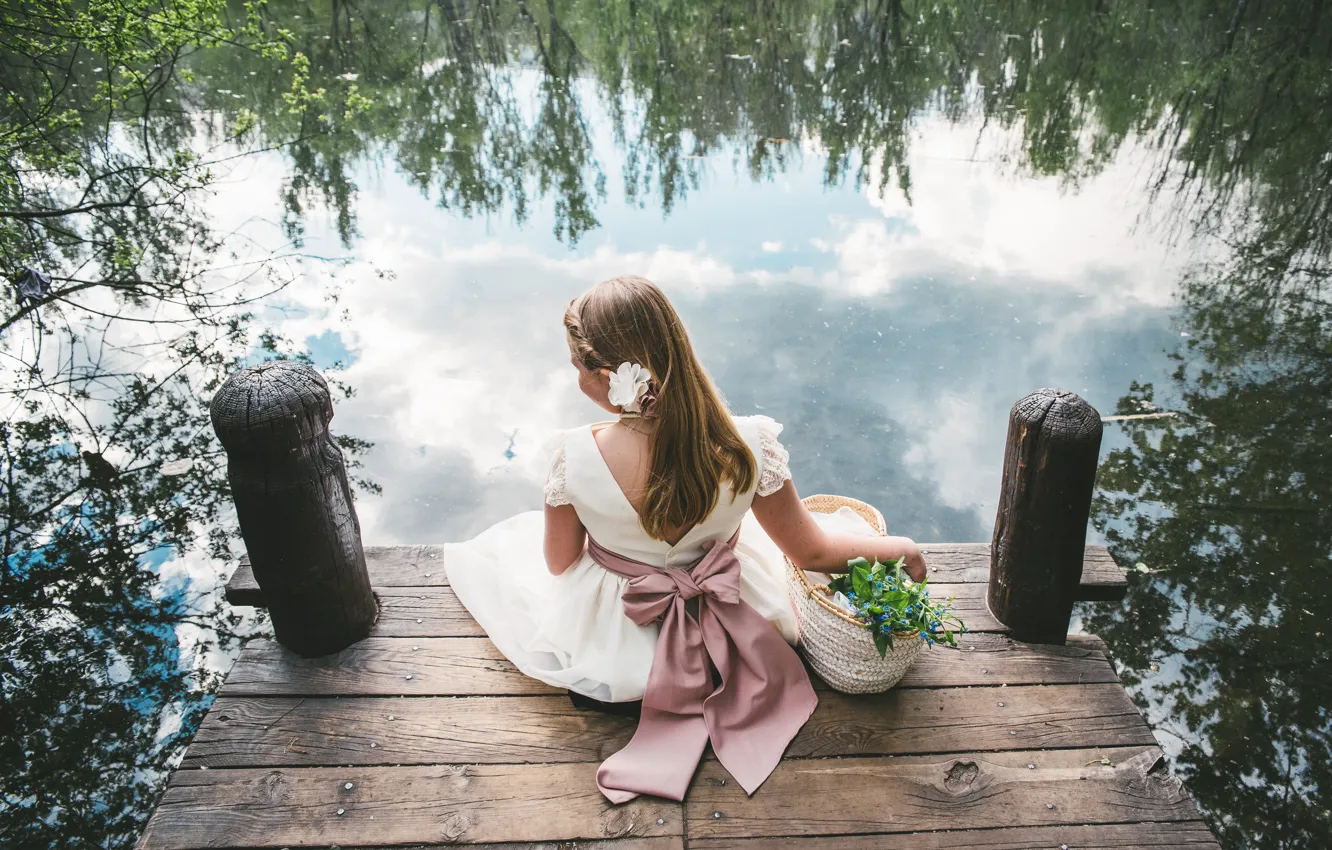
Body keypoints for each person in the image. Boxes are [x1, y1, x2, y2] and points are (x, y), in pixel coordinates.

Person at [444, 275, 928, 803]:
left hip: (620, 638)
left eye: (577, 367)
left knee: (507, 565)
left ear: (609, 378)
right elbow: (812, 551)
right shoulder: (749, 443)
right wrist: (899, 549)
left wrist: (620, 540)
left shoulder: (573, 456)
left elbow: (559, 563)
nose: (575, 377)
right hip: (737, 608)